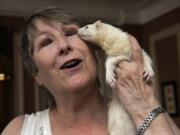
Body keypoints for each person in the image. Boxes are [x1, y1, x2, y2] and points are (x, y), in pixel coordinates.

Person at [1, 6, 180, 135]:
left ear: (94, 50)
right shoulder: (19, 130)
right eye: (46, 42)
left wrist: (143, 104)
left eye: (70, 33)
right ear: (36, 74)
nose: (64, 45)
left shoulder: (149, 112)